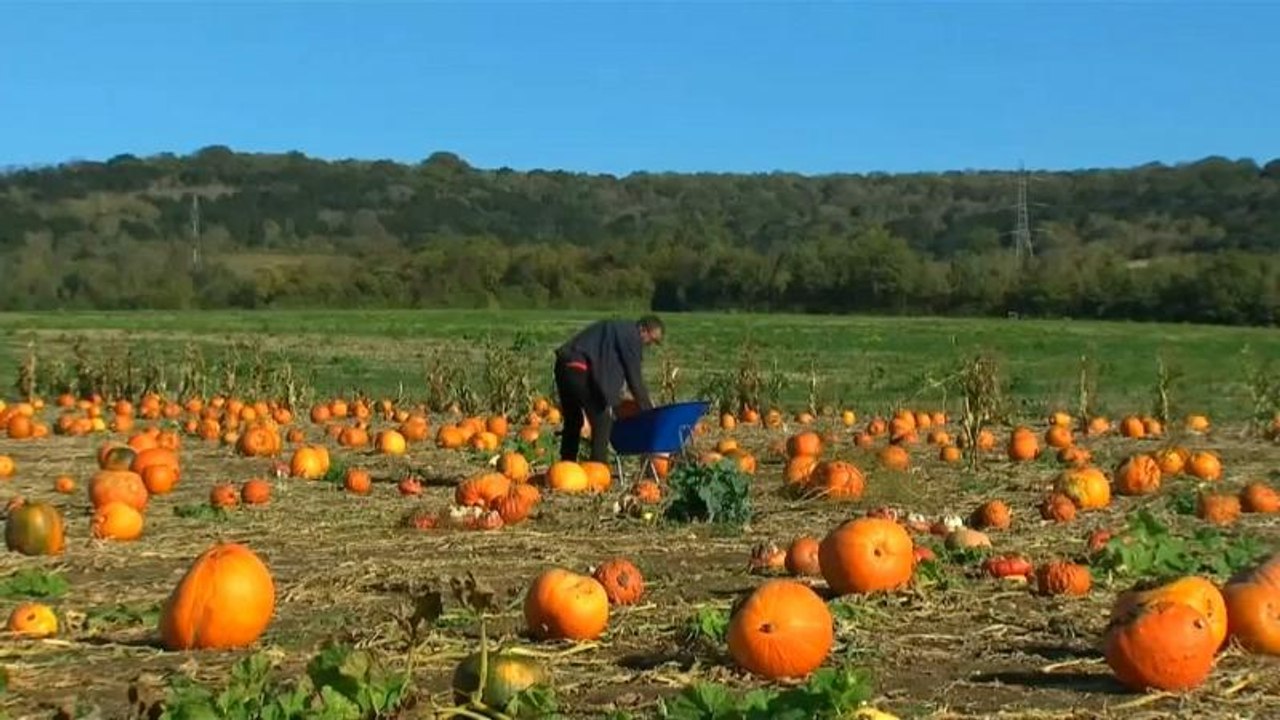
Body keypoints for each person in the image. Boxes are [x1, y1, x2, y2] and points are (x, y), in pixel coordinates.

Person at [553, 315, 664, 463]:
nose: (649, 344)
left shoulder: (618, 329)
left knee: (574, 419)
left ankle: (566, 464)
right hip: (579, 368)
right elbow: (634, 378)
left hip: (563, 365)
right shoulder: (632, 336)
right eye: (652, 339)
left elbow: (607, 365)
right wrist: (650, 412)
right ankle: (598, 468)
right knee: (603, 420)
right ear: (643, 329)